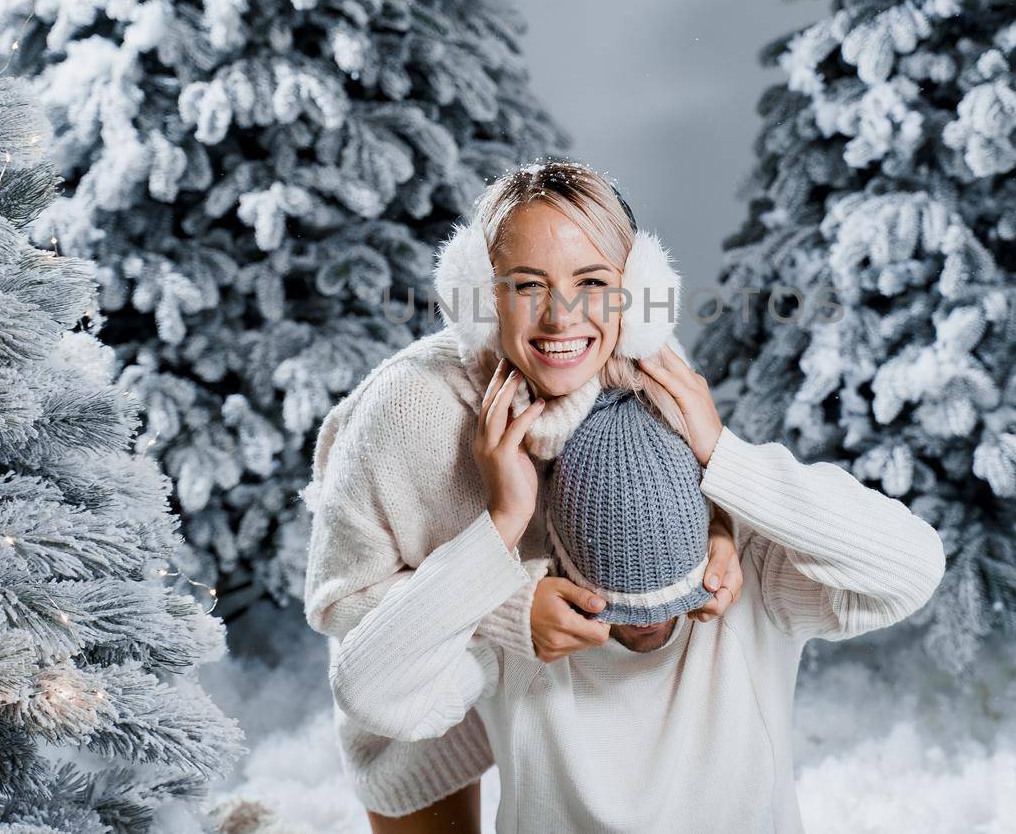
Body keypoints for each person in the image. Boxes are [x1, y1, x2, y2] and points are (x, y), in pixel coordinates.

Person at [330, 339, 948, 832]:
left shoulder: (747, 587)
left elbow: (913, 567)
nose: (645, 625)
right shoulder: (531, 623)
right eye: (618, 600)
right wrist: (499, 547)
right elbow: (370, 690)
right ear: (564, 562)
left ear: (709, 538)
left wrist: (727, 458)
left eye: (667, 597)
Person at [302, 160, 748, 832]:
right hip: (423, 671)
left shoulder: (647, 369)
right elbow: (340, 607)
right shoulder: (408, 409)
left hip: (576, 672)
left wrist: (717, 531)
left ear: (633, 290)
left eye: (593, 282)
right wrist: (510, 603)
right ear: (479, 294)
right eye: (527, 286)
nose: (562, 316)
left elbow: (698, 487)